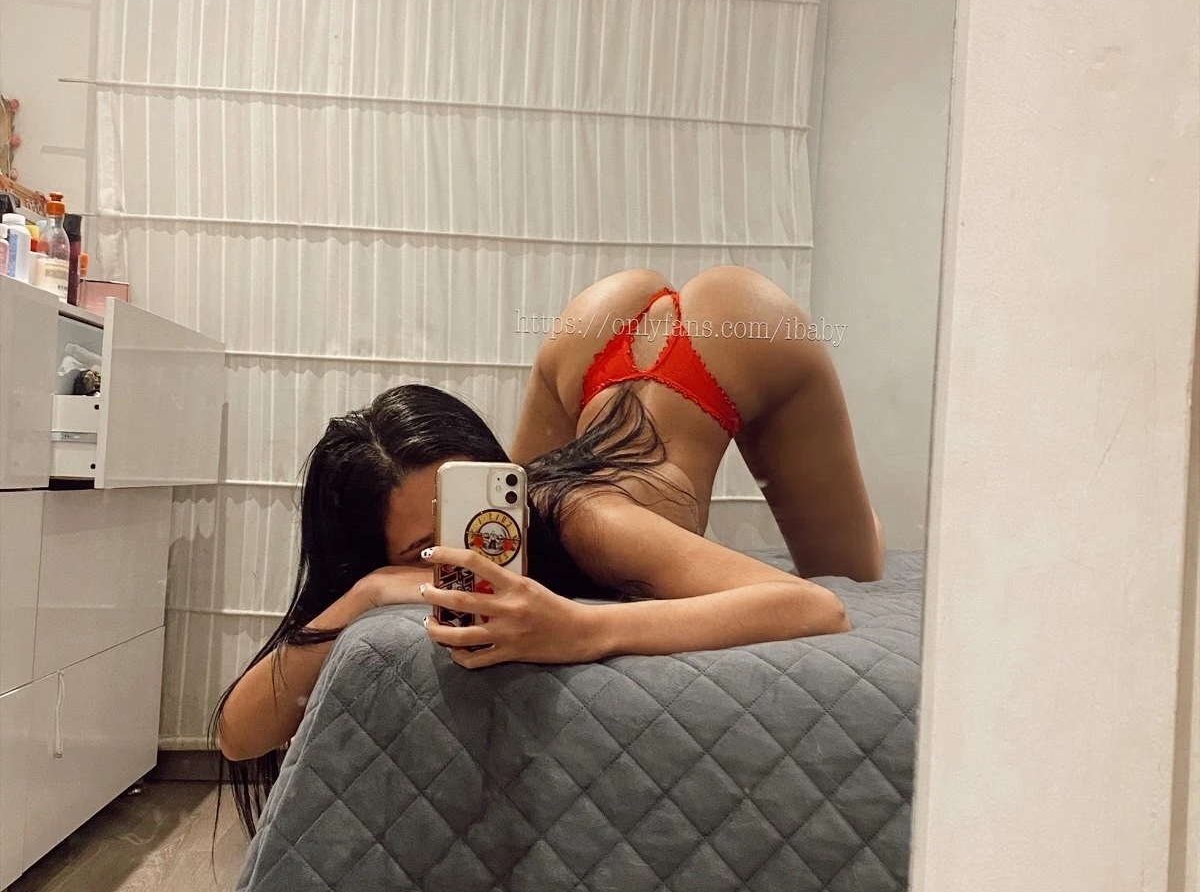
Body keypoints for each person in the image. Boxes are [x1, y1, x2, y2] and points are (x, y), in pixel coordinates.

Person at [215, 266, 883, 830]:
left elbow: (818, 607)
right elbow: (237, 736)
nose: (460, 551)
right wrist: (363, 594)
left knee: (853, 566)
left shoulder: (591, 520)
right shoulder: (479, 530)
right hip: (586, 343)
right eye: (424, 548)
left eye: (459, 514)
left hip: (743, 334)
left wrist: (582, 629)